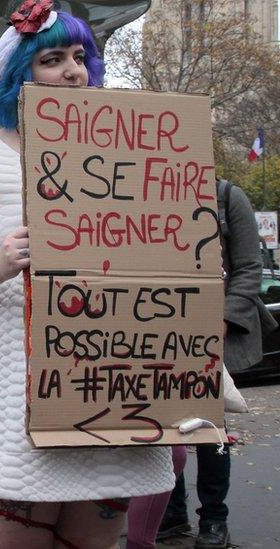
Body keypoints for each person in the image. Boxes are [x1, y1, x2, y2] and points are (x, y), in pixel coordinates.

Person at [0, 2, 174, 547]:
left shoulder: (124, 155)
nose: (73, 71)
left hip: (110, 389)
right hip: (13, 402)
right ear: (19, 76)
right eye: (52, 59)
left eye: (79, 57)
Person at [157, 179, 276, 548]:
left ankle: (213, 520)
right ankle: (171, 512)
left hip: (212, 335)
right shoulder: (151, 191)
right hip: (160, 329)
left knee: (210, 430)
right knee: (162, 429)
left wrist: (224, 318)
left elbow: (248, 267)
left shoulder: (226, 196)